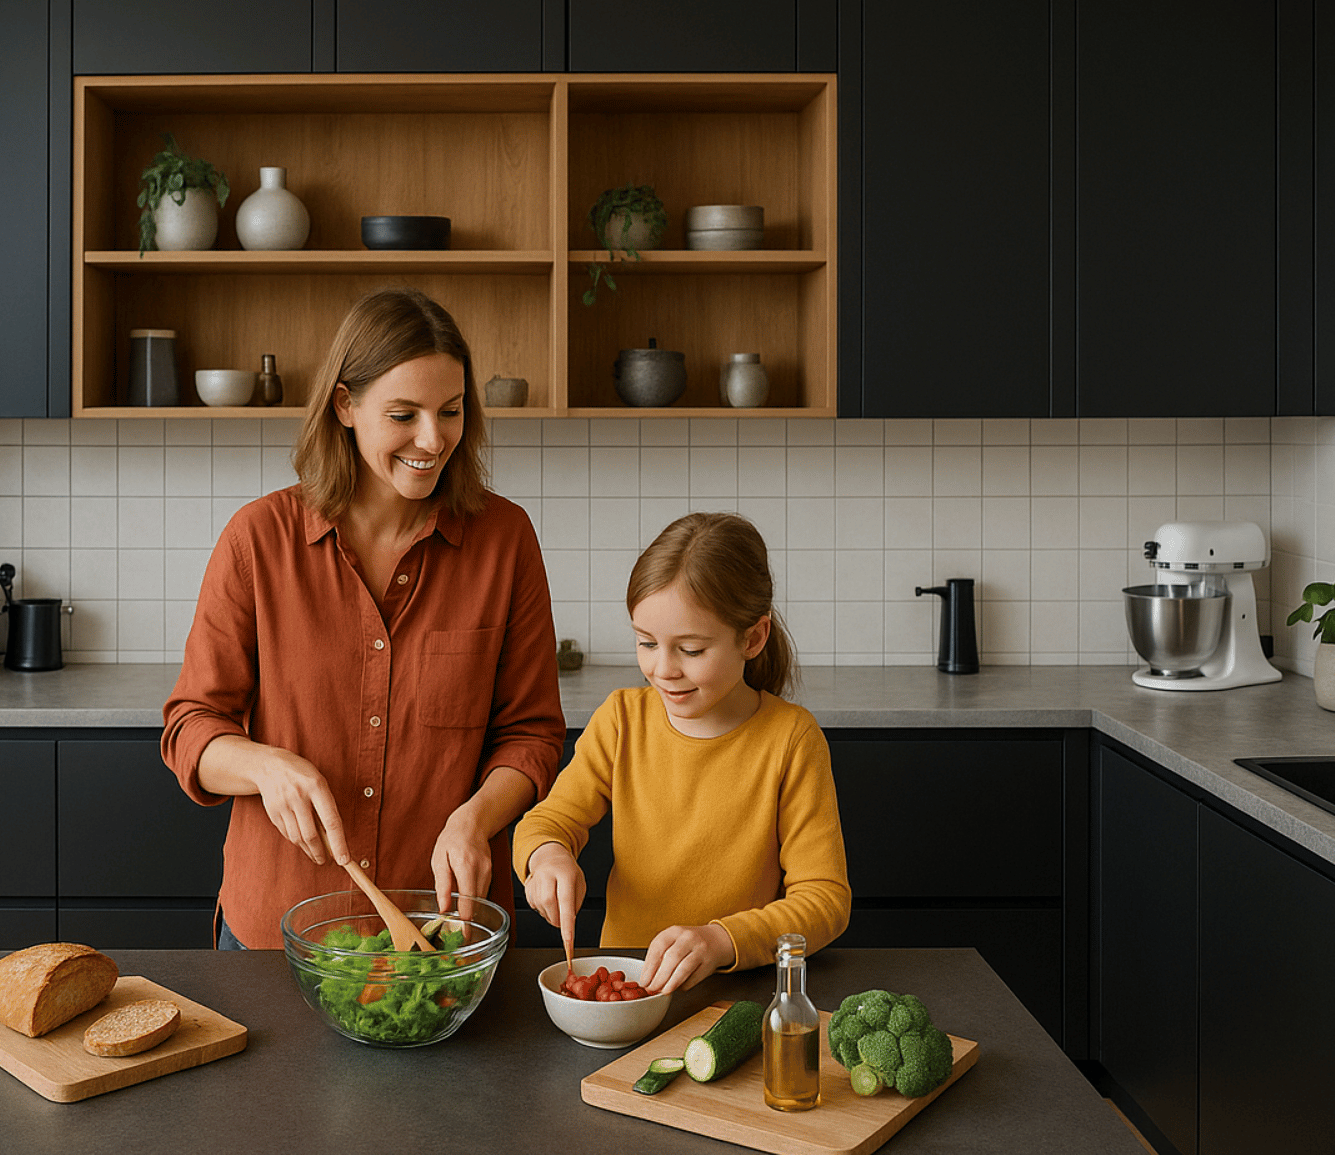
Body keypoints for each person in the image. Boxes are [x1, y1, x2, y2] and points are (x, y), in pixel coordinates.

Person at [161, 285, 565, 957]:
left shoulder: (505, 540)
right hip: (279, 938)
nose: (432, 440)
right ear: (345, 405)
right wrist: (263, 767)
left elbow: (532, 734)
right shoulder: (258, 540)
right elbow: (191, 726)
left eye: (451, 411)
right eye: (403, 414)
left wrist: (477, 817)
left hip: (444, 940)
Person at [514, 511, 852, 998]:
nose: (662, 669)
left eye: (691, 650)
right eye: (646, 643)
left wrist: (721, 940)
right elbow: (546, 822)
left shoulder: (791, 738)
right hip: (627, 988)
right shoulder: (621, 719)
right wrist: (546, 858)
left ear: (752, 638)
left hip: (737, 991)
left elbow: (825, 900)